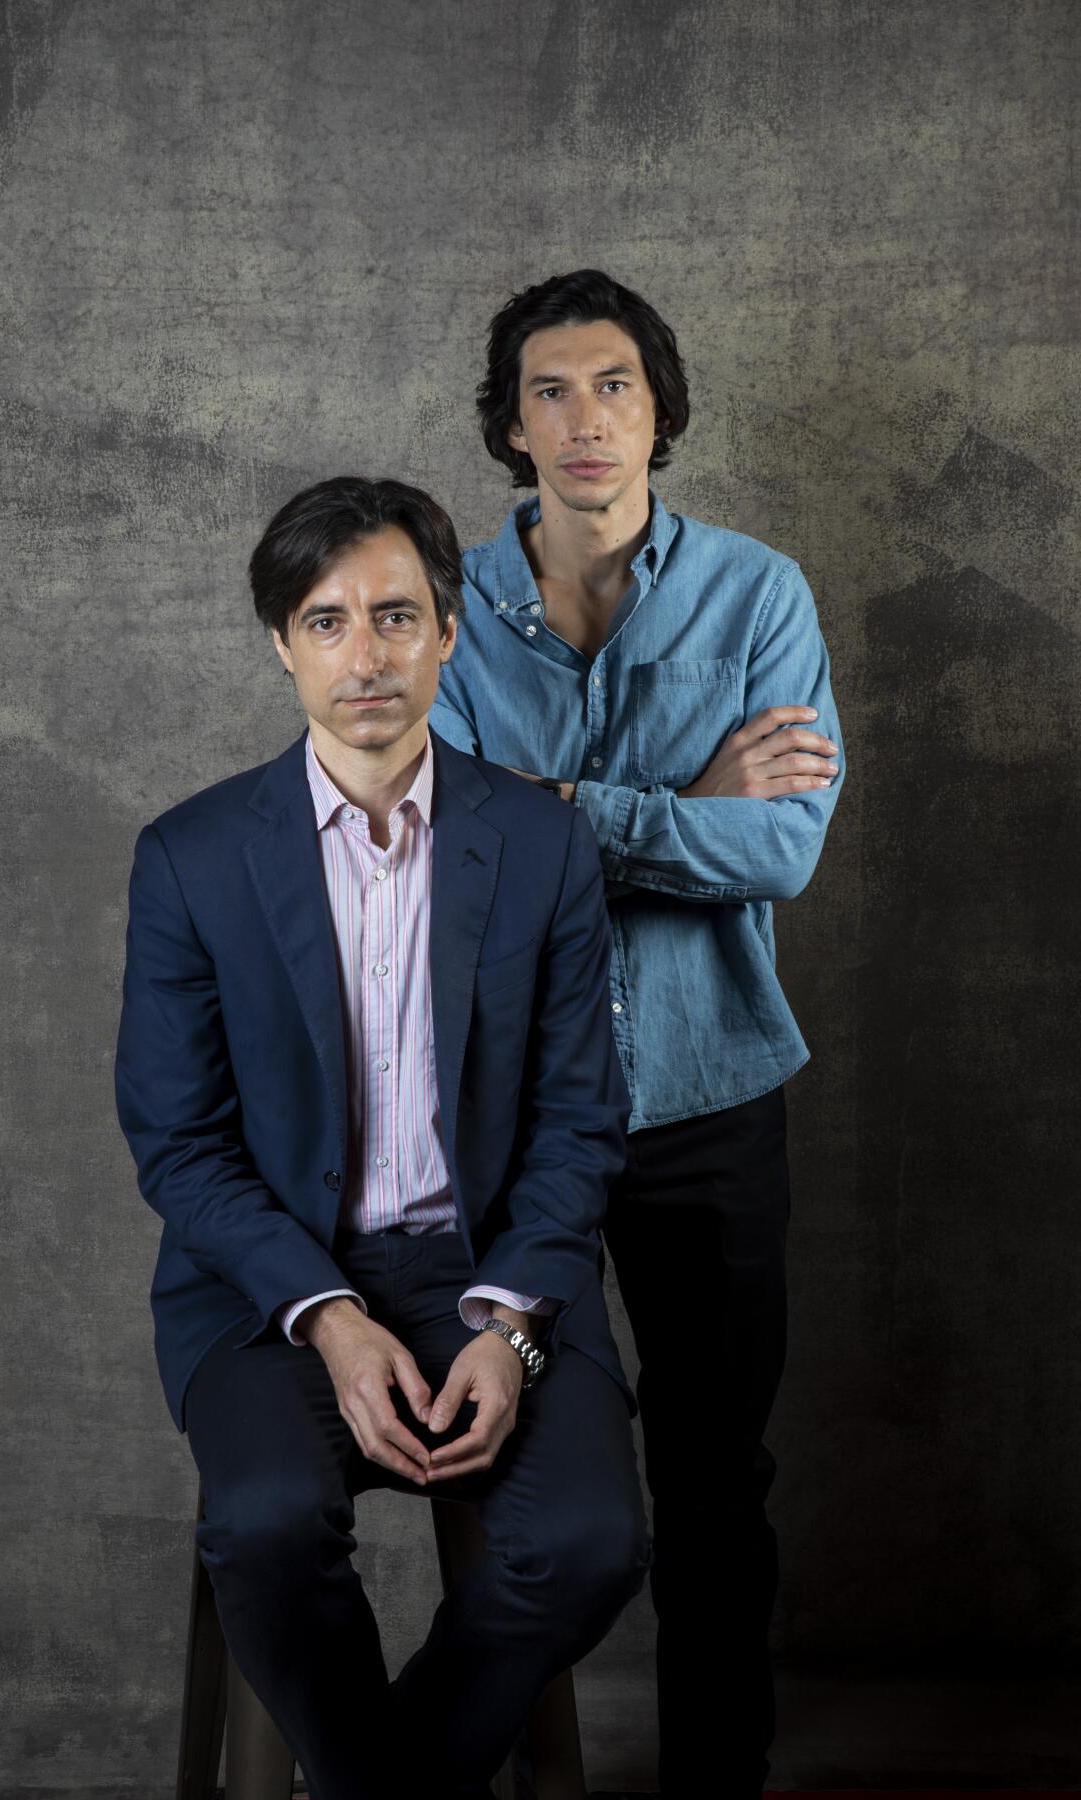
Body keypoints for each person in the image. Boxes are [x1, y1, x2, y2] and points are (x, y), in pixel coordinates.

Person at [114, 474, 650, 1800]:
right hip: (271, 1289)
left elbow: (583, 1121)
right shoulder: (191, 858)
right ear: (283, 645)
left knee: (588, 1541)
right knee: (266, 1526)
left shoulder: (539, 844)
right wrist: (329, 1315)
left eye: (398, 616)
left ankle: (383, 1778)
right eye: (329, 620)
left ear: (451, 633)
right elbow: (179, 1146)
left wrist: (515, 1324)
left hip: (491, 1262)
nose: (368, 654)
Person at [429, 270, 846, 1800]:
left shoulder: (760, 596)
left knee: (717, 1480)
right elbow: (452, 868)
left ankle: (712, 1781)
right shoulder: (446, 607)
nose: (585, 418)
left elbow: (786, 852)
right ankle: (464, 1763)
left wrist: (565, 819)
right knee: (503, 1468)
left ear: (659, 404)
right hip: (512, 1113)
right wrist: (684, 811)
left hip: (712, 1097)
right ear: (508, 422)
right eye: (550, 388)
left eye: (614, 383)